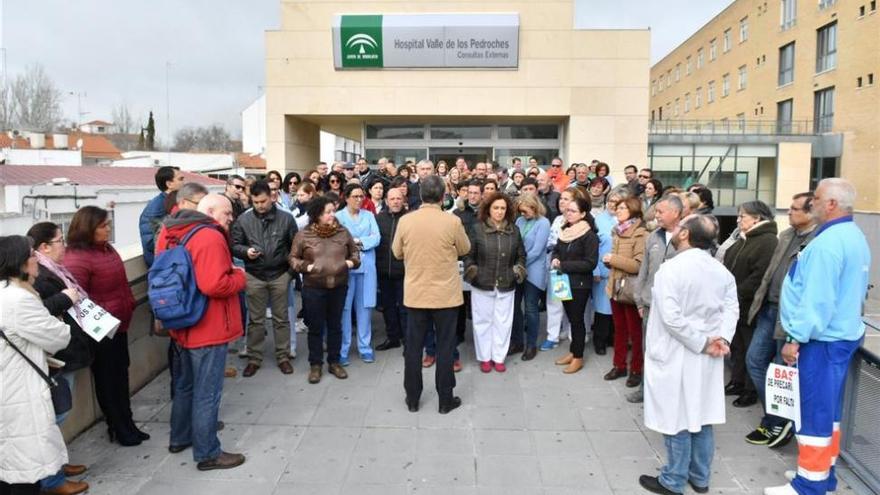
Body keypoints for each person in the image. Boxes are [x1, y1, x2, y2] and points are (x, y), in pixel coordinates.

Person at [764, 179, 871, 495]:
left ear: (832, 204)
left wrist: (794, 338)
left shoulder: (827, 244)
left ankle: (809, 484)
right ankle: (821, 474)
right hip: (840, 336)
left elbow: (817, 300)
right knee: (829, 412)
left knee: (813, 411)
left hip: (820, 341)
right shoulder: (853, 236)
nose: (813, 203)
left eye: (818, 198)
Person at [640, 214, 738, 495]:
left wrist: (703, 342)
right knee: (701, 414)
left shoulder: (672, 270)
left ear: (684, 235)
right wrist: (722, 338)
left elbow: (671, 318)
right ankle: (700, 477)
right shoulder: (721, 271)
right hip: (705, 353)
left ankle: (673, 479)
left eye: (681, 226)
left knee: (676, 416)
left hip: (678, 352)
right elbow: (732, 308)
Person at [155, 194, 248, 471]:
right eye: (227, 212)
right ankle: (208, 453)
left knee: (185, 385)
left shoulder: (172, 233)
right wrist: (239, 276)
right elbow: (214, 285)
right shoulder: (209, 236)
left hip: (181, 322)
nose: (231, 218)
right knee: (207, 392)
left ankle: (180, 437)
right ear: (208, 210)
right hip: (207, 326)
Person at [63, 207, 143, 448]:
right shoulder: (77, 257)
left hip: (119, 324)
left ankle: (127, 424)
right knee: (108, 380)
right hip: (100, 331)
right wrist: (103, 322)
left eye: (108, 224)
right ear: (88, 228)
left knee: (121, 375)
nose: (108, 229)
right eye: (102, 226)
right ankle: (118, 427)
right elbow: (78, 300)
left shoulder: (107, 248)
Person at [21, 224, 91, 495]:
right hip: (54, 356)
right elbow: (40, 314)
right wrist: (64, 298)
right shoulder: (30, 280)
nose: (65, 246)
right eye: (60, 241)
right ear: (43, 248)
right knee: (54, 415)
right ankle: (51, 479)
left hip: (66, 349)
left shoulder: (51, 269)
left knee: (59, 410)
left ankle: (58, 464)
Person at [743, 193, 817, 449]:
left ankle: (777, 421)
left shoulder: (817, 241)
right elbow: (770, 274)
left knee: (780, 371)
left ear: (811, 212)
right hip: (768, 309)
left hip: (790, 317)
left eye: (796, 209)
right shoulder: (786, 236)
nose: (790, 213)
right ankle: (776, 417)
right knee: (755, 361)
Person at [393, 175, 471, 414]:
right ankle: (445, 400)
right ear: (443, 196)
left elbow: (397, 252)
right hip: (445, 296)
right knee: (446, 347)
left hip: (416, 294)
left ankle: (413, 398)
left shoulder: (406, 221)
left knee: (414, 348)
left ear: (420, 195)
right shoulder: (452, 222)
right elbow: (465, 249)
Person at [0, 235, 72, 495]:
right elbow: (59, 336)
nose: (36, 258)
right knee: (24, 469)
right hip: (20, 392)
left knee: (12, 466)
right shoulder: (20, 300)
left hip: (9, 387)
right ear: (19, 263)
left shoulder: (5, 294)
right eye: (31, 254)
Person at [231, 180, 299, 378]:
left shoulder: (286, 219)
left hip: (280, 274)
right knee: (255, 320)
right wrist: (246, 251)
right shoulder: (244, 220)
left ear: (271, 198)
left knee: (281, 319)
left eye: (263, 201)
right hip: (254, 274)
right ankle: (254, 358)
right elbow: (234, 245)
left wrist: (290, 274)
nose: (260, 205)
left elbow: (296, 247)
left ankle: (283, 356)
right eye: (256, 202)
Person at [289, 196, 359, 384]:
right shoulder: (304, 235)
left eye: (332, 211)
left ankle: (335, 362)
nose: (332, 215)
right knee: (316, 327)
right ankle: (315, 365)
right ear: (317, 214)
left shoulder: (343, 232)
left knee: (336, 325)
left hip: (339, 286)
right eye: (327, 212)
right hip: (314, 288)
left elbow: (355, 253)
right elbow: (293, 258)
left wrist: (350, 263)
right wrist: (306, 267)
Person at [628, 194, 684, 404]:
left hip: (676, 307)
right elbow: (644, 269)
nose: (656, 216)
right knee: (649, 348)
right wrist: (639, 298)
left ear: (676, 213)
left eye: (661, 212)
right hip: (650, 305)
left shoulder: (688, 237)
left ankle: (670, 393)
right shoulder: (653, 236)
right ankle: (646, 389)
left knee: (672, 352)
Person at [722, 200, 778, 408]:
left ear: (757, 218)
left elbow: (759, 276)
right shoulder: (743, 240)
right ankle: (737, 381)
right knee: (736, 346)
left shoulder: (768, 241)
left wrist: (734, 294)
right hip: (735, 305)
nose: (738, 220)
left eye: (742, 216)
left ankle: (750, 389)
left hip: (749, 306)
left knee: (748, 348)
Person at [464, 193, 526, 373]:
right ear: (488, 209)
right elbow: (468, 255)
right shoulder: (477, 229)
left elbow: (521, 256)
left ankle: (499, 357)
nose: (499, 212)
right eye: (496, 208)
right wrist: (474, 272)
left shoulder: (514, 230)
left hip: (506, 284)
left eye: (503, 208)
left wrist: (517, 271)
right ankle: (484, 357)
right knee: (482, 322)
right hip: (482, 283)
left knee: (503, 322)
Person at [602, 196, 648, 387]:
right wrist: (609, 262)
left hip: (630, 291)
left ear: (633, 210)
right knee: (619, 330)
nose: (618, 210)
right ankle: (619, 365)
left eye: (622, 208)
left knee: (635, 333)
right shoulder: (618, 231)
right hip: (616, 288)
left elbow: (638, 265)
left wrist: (612, 259)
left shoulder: (641, 234)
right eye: (617, 207)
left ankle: (637, 369)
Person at [551, 196, 599, 374]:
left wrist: (563, 265)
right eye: (567, 210)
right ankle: (573, 352)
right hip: (561, 280)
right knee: (570, 319)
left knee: (577, 320)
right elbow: (557, 250)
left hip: (579, 283)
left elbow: (590, 263)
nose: (568, 213)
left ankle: (578, 356)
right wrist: (555, 258)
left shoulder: (589, 235)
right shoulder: (565, 230)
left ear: (583, 214)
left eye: (572, 211)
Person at [335, 184, 380, 365]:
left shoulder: (369, 216)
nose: (359, 199)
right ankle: (343, 349)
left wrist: (358, 241)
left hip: (366, 267)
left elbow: (376, 237)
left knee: (365, 308)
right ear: (346, 198)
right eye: (355, 196)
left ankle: (365, 347)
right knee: (344, 309)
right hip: (345, 268)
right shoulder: (338, 217)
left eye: (361, 196)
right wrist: (356, 243)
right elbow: (338, 240)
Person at [540, 187, 583, 351]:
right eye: (561, 199)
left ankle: (571, 334)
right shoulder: (558, 219)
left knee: (572, 304)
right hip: (556, 266)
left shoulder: (580, 222)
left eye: (566, 199)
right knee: (555, 302)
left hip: (572, 267)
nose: (562, 201)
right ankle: (553, 336)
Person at [510, 194, 550, 360]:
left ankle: (531, 345)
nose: (523, 215)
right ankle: (518, 341)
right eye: (521, 212)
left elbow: (537, 250)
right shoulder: (519, 221)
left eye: (525, 212)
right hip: (518, 270)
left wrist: (520, 263)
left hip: (533, 271)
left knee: (531, 308)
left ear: (534, 208)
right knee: (514, 306)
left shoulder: (543, 223)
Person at [375, 188, 408, 351]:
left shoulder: (410, 219)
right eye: (392, 199)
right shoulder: (378, 219)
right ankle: (393, 337)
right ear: (386, 201)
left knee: (405, 308)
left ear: (403, 200)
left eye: (398, 198)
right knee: (387, 307)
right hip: (383, 272)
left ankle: (408, 339)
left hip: (404, 273)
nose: (395, 201)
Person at [591, 188, 622, 355]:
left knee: (617, 306)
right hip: (602, 270)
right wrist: (595, 269)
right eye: (610, 201)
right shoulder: (598, 219)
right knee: (602, 308)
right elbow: (593, 246)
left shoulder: (627, 220)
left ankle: (612, 338)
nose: (612, 205)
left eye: (616, 203)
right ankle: (599, 341)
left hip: (621, 270)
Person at [139, 166, 184, 267]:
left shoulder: (174, 202)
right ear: (169, 184)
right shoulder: (157, 207)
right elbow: (152, 242)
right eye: (180, 179)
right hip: (163, 267)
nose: (184, 183)